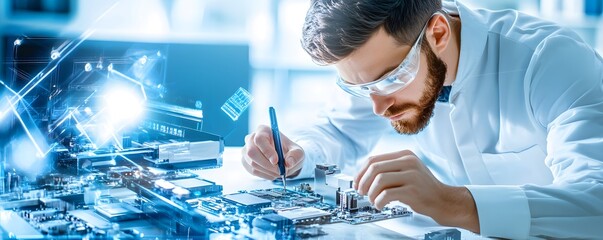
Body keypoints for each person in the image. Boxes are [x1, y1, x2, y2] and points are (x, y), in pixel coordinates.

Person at [241, 0, 603, 238]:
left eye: (389, 80)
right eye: (360, 88)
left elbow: (596, 202)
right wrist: (295, 153)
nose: (377, 109)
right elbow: (337, 129)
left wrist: (452, 203)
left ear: (439, 33)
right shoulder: (381, 67)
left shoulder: (550, 61)